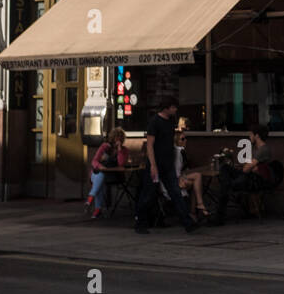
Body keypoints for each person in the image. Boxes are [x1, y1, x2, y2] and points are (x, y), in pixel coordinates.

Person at [134, 97, 198, 234]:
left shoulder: (171, 122)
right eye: (173, 107)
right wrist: (152, 165)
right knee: (148, 194)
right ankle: (140, 222)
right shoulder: (155, 122)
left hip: (168, 164)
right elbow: (150, 145)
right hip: (156, 163)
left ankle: (187, 222)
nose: (175, 110)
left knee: (175, 192)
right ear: (166, 108)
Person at [210, 124, 274, 225]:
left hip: (255, 181)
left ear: (256, 136)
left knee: (225, 186)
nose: (250, 137)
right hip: (249, 176)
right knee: (225, 168)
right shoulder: (256, 149)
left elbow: (246, 169)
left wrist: (248, 167)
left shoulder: (263, 150)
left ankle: (219, 217)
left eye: (251, 135)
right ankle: (220, 212)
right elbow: (248, 167)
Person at [85, 127, 128, 219]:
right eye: (116, 137)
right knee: (100, 177)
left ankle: (92, 200)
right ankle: (96, 208)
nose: (118, 140)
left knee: (100, 180)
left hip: (113, 176)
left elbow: (121, 163)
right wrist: (100, 166)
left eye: (120, 137)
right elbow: (94, 161)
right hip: (99, 172)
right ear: (112, 138)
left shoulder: (124, 150)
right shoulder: (105, 146)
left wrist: (119, 149)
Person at [172, 127, 208, 221]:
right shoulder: (178, 150)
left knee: (196, 177)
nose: (185, 141)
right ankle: (197, 208)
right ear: (176, 140)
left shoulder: (179, 151)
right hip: (173, 181)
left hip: (177, 177)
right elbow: (176, 171)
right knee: (196, 180)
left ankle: (196, 210)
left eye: (185, 138)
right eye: (182, 139)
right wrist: (182, 179)